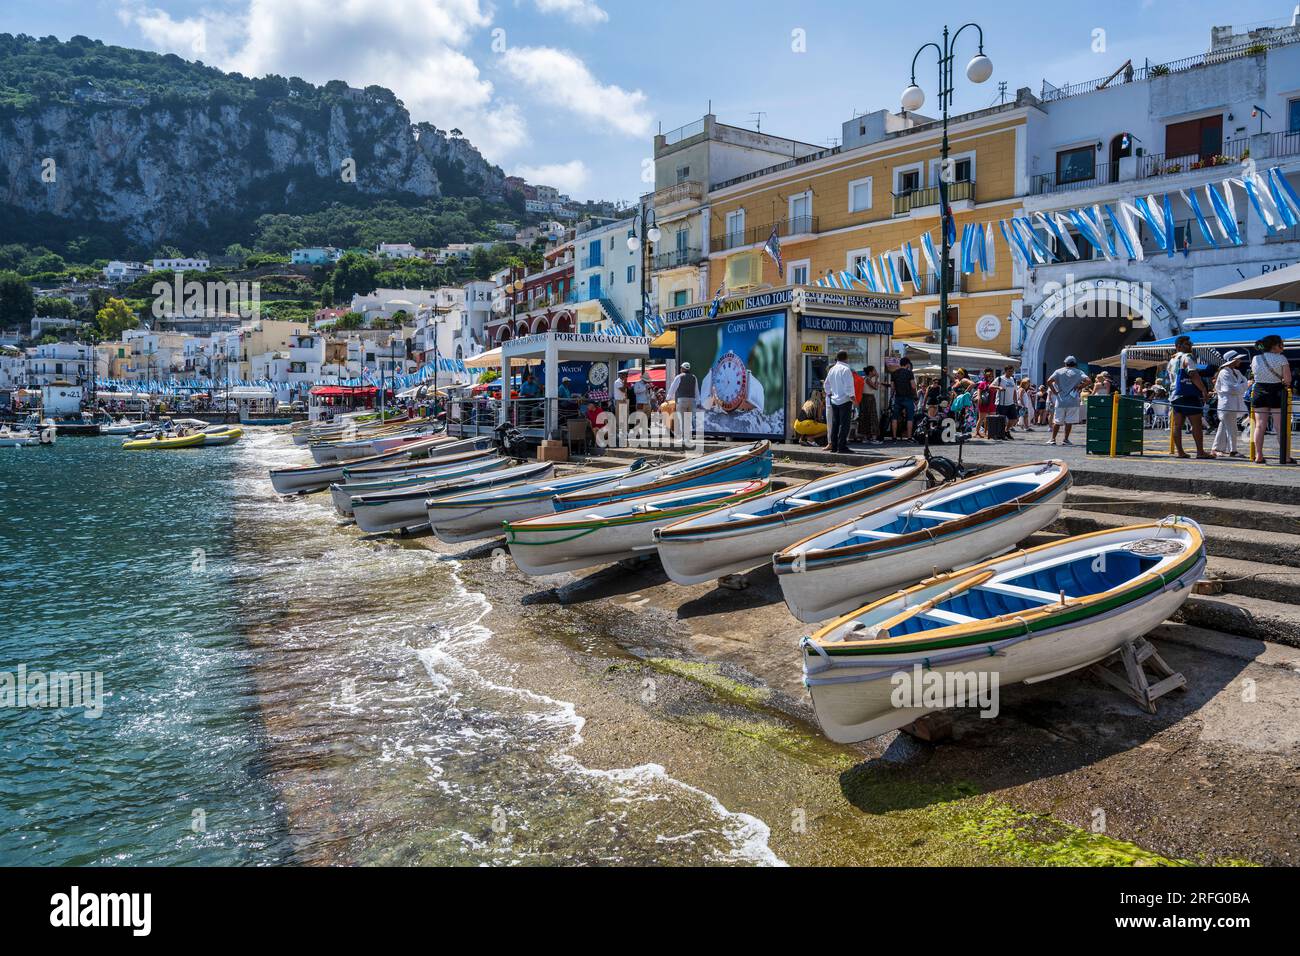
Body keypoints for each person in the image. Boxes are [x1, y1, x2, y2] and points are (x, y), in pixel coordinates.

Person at [1250, 334, 1295, 465]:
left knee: (1259, 425)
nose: (1283, 346)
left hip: (1259, 391)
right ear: (1275, 346)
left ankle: (1258, 455)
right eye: (1281, 343)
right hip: (1276, 392)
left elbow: (1254, 375)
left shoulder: (1255, 358)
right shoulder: (1281, 358)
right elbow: (1287, 380)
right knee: (1279, 426)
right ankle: (1285, 456)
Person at [1167, 335, 1211, 460]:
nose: (1190, 345)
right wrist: (1203, 389)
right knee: (1196, 423)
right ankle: (1200, 452)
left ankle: (1180, 452)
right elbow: (1192, 374)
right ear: (1178, 346)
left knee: (1177, 425)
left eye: (1190, 343)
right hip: (1188, 394)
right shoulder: (1188, 357)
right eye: (1187, 343)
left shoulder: (1172, 359)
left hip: (1175, 395)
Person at [1212, 350, 1249, 458]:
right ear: (1233, 360)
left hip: (1234, 403)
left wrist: (1242, 386)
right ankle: (1232, 450)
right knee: (1231, 428)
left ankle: (1216, 449)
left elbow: (1244, 382)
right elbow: (1230, 388)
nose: (1240, 360)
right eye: (1238, 358)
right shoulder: (1224, 372)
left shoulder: (1236, 372)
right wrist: (1243, 386)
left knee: (1224, 427)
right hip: (1227, 404)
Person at [1045, 355, 1087, 446]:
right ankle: (1066, 439)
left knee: (1057, 421)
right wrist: (1080, 386)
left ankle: (1053, 439)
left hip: (1060, 400)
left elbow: (1049, 381)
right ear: (1075, 364)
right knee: (1069, 421)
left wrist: (1054, 391)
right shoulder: (1079, 372)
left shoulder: (1058, 371)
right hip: (1073, 400)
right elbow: (1088, 380)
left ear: (1065, 363)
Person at [824, 350, 856, 453]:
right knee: (844, 424)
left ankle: (834, 446)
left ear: (837, 358)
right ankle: (842, 446)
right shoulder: (846, 369)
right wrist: (853, 398)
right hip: (845, 400)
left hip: (834, 400)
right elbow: (849, 386)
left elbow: (826, 384)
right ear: (846, 358)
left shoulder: (832, 369)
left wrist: (829, 393)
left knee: (835, 424)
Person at [665, 362, 698, 439]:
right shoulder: (694, 377)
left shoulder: (679, 377)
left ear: (683, 368)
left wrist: (667, 398)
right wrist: (698, 401)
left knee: (681, 418)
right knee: (689, 418)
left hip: (682, 400)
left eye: (681, 368)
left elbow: (673, 388)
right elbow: (696, 391)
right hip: (692, 400)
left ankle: (684, 436)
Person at [889, 357, 917, 442]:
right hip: (908, 398)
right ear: (907, 364)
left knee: (895, 417)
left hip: (898, 398)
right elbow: (913, 386)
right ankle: (909, 437)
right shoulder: (909, 373)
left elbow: (892, 388)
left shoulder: (894, 373)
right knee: (909, 418)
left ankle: (894, 437)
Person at [857, 366, 881, 443]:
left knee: (865, 416)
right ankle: (873, 437)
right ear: (870, 372)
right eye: (874, 371)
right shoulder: (867, 379)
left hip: (865, 398)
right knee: (872, 416)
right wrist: (877, 378)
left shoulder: (866, 378)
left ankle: (865, 437)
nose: (876, 372)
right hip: (869, 398)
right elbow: (876, 387)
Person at [974, 368, 997, 438]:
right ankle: (977, 432)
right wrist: (979, 397)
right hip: (984, 403)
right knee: (981, 419)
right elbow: (979, 391)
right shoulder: (982, 383)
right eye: (989, 376)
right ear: (986, 377)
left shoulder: (994, 384)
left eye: (992, 376)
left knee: (990, 419)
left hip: (992, 403)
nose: (990, 377)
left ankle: (986, 432)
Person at [995, 365, 1019, 431]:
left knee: (1014, 419)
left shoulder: (1013, 379)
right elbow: (991, 386)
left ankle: (1006, 430)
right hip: (1001, 402)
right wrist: (998, 387)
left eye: (1012, 371)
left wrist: (1016, 401)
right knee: (1001, 419)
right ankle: (1001, 433)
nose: (1011, 373)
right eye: (1009, 371)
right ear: (1005, 371)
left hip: (1011, 403)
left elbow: (1014, 391)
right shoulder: (1000, 378)